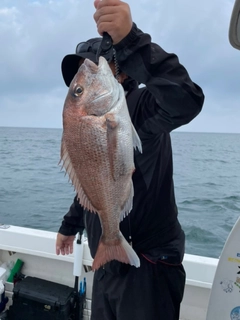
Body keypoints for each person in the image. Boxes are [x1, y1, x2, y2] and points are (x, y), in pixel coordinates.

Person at [56, 0, 205, 319]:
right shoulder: (91, 122)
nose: (80, 80)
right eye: (78, 84)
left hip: (148, 267)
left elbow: (186, 101)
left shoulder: (140, 106)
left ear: (120, 72)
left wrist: (131, 41)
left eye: (92, 67)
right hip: (107, 259)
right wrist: (70, 225)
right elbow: (89, 176)